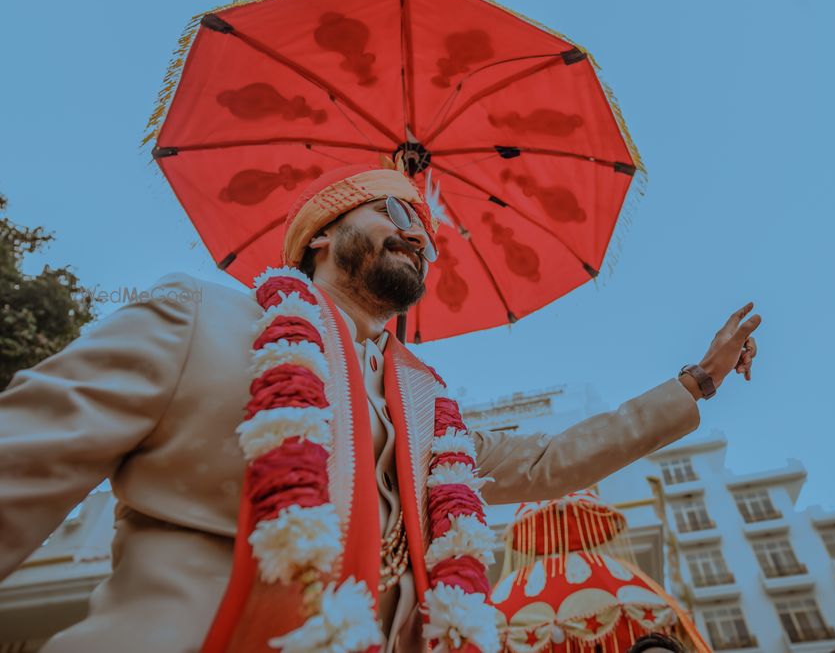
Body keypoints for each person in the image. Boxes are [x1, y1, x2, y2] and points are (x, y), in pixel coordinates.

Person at [0, 163, 761, 653]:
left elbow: (545, 462)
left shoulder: (432, 413)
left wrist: (695, 383)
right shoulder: (201, 320)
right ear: (322, 236)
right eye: (393, 210)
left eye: (425, 233)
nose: (416, 234)